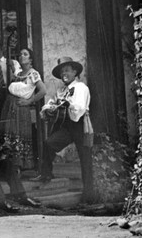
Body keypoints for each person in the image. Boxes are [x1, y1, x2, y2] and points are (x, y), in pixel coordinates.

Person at [32, 57, 95, 203]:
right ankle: (46, 174)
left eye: (66, 70)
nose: (64, 74)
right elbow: (50, 103)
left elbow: (78, 109)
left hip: (81, 125)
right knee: (49, 143)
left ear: (74, 71)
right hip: (66, 126)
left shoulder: (81, 88)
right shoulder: (61, 90)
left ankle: (89, 196)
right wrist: (50, 108)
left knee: (85, 159)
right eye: (61, 72)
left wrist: (68, 104)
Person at [0, 47, 46, 169]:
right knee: (9, 134)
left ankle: (19, 165)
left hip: (21, 108)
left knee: (19, 135)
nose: (21, 56)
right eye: (20, 54)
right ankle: (9, 165)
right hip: (10, 106)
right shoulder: (18, 74)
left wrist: (29, 101)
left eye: (25, 54)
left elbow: (43, 91)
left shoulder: (33, 74)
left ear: (30, 59)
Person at [0, 37, 21, 122]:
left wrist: (12, 68)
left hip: (8, 94)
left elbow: (20, 78)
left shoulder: (13, 62)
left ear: (2, 48)